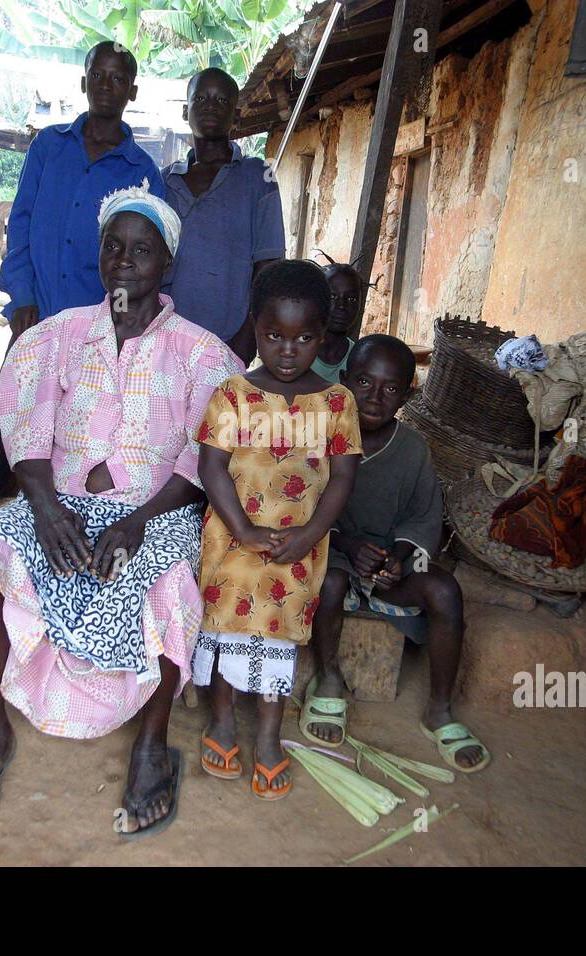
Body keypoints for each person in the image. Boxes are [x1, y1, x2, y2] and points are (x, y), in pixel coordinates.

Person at [0, 184, 243, 837]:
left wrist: (139, 519)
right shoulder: (57, 337)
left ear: (166, 265)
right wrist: (42, 507)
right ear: (100, 255)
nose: (126, 261)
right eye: (114, 247)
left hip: (151, 511)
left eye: (142, 250)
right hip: (56, 502)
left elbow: (203, 455)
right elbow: (25, 424)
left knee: (175, 587)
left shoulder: (202, 354)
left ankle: (152, 745)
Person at [0, 41, 165, 539]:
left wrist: (121, 321)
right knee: (14, 401)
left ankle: (54, 506)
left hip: (96, 321)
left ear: (132, 90)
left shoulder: (141, 169)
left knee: (77, 413)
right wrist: (21, 299)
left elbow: (147, 254)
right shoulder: (49, 145)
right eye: (97, 75)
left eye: (117, 78)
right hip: (38, 310)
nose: (106, 85)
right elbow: (20, 223)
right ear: (84, 82)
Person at [191, 260, 361, 799]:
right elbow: (211, 466)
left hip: (298, 547)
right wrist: (241, 528)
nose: (288, 349)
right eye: (274, 335)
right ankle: (220, 722)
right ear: (256, 327)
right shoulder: (233, 394)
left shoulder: (337, 404)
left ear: (323, 333)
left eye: (305, 337)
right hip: (233, 542)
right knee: (224, 630)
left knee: (278, 643)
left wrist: (312, 533)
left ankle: (268, 737)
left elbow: (341, 478)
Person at [302, 335, 490, 772]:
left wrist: (400, 558)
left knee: (444, 591)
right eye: (364, 382)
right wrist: (346, 544)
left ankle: (440, 711)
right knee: (328, 580)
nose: (374, 397)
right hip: (331, 556)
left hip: (390, 567)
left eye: (391, 389)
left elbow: (424, 517)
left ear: (407, 394)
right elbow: (298, 510)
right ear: (344, 380)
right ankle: (328, 680)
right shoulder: (316, 439)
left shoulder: (412, 450)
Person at [162, 67, 285, 366]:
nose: (210, 106)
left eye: (221, 100)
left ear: (237, 113)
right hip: (164, 335)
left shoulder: (258, 177)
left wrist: (250, 331)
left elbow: (268, 266)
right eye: (200, 98)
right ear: (184, 110)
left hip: (228, 337)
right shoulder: (163, 181)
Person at [310, 260, 364, 383]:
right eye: (332, 296)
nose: (342, 306)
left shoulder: (360, 360)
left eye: (352, 299)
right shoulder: (295, 353)